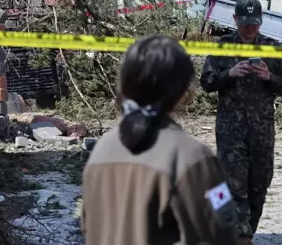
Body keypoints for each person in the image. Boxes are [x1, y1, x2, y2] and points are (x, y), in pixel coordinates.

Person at [81, 35, 240, 245]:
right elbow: (222, 235)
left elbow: (87, 227)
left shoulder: (101, 152)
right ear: (184, 90)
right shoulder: (192, 157)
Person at [200, 0, 282, 245]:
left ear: (260, 22)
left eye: (254, 23)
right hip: (231, 128)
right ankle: (240, 237)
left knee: (259, 184)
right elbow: (206, 83)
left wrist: (268, 76)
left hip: (262, 128)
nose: (250, 29)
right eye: (245, 23)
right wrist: (228, 74)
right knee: (233, 183)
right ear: (235, 20)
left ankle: (245, 232)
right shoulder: (223, 47)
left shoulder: (271, 48)